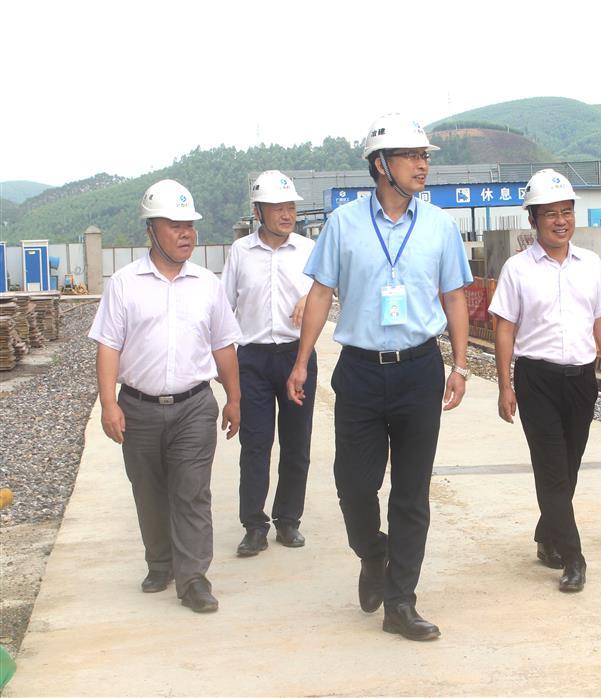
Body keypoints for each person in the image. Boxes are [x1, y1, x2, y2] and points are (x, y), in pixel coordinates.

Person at [286, 113, 472, 641]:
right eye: (412, 156)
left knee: (411, 493)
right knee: (353, 485)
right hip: (361, 373)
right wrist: (301, 361)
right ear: (380, 165)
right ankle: (373, 552)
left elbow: (455, 296)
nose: (423, 165)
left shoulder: (439, 226)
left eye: (425, 156)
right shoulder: (344, 224)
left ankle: (401, 603)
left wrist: (460, 364)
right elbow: (320, 294)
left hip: (419, 370)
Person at [89, 179, 241, 612]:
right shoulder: (124, 284)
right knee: (149, 490)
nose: (186, 233)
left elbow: (224, 346)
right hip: (138, 407)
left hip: (194, 406)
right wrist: (109, 403)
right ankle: (160, 563)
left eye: (189, 225)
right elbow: (108, 346)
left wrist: (234, 398)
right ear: (151, 230)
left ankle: (193, 579)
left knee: (192, 491)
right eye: (175, 225)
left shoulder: (207, 284)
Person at [488, 169, 601, 593]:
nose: (561, 221)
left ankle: (547, 535)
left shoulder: (591, 265)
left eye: (567, 212)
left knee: (569, 466)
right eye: (550, 214)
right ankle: (573, 557)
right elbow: (505, 328)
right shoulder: (517, 269)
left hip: (581, 379)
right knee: (551, 470)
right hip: (537, 380)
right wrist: (505, 385)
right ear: (533, 220)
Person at [221, 170, 316, 557]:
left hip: (297, 356)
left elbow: (326, 292)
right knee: (255, 444)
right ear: (258, 211)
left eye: (291, 206)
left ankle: (288, 520)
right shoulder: (240, 252)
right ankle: (254, 526)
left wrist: (310, 299)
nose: (287, 214)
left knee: (296, 443)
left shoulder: (308, 250)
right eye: (278, 208)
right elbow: (223, 308)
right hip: (253, 359)